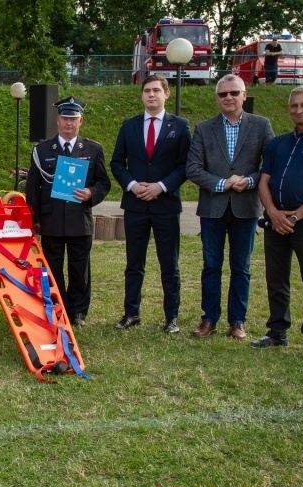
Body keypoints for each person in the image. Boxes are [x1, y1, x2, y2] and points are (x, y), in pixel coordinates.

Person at [186, 74, 275, 340]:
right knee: (211, 265)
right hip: (213, 207)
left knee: (242, 266)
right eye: (223, 94)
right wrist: (223, 183)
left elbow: (271, 166)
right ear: (217, 98)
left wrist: (248, 181)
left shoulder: (261, 126)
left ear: (244, 96)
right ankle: (209, 319)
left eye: (234, 93)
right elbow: (193, 168)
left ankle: (237, 321)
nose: (228, 98)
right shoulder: (204, 128)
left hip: (246, 207)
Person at [251, 86, 303, 362]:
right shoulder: (278, 143)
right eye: (294, 106)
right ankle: (276, 331)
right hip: (276, 221)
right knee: (276, 278)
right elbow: (263, 181)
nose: (299, 110)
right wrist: (273, 212)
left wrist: (295, 216)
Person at [110, 74, 191, 334]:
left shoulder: (180, 126)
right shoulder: (129, 125)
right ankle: (131, 313)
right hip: (135, 205)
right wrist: (133, 185)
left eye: (156, 90)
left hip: (166, 204)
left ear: (166, 94)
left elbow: (185, 166)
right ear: (142, 95)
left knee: (170, 264)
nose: (151, 95)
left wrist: (161, 187)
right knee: (134, 263)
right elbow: (116, 163)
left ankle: (171, 318)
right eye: (147, 91)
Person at [25, 96, 111, 327]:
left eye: (73, 119)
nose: (68, 123)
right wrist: (35, 220)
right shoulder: (42, 150)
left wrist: (91, 193)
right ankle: (57, 306)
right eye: (65, 118)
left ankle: (78, 312)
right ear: (57, 120)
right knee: (52, 268)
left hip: (78, 219)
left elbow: (104, 183)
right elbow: (33, 187)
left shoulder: (93, 150)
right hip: (51, 220)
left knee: (79, 269)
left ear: (80, 121)